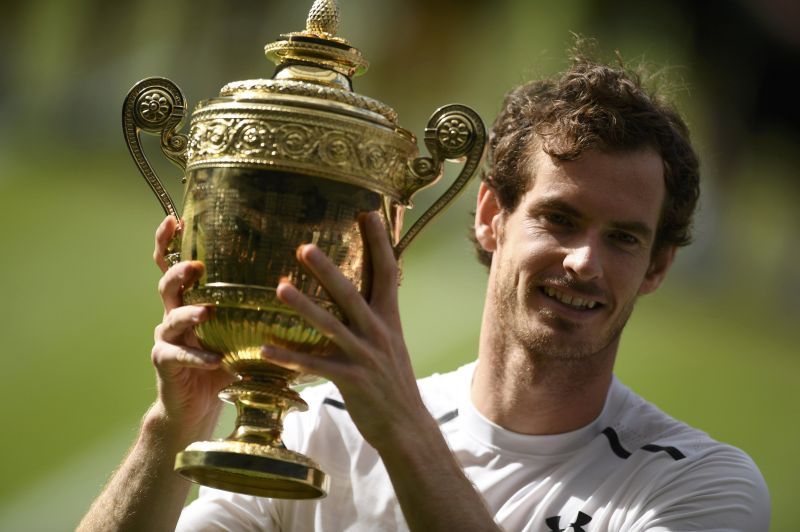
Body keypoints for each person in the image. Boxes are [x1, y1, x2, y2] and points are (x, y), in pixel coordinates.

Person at [79, 47, 770, 531]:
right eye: (560, 219)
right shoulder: (319, 432)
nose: (585, 262)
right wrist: (174, 427)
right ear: (492, 217)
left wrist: (401, 427)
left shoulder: (699, 487)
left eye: (624, 238)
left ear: (657, 267)